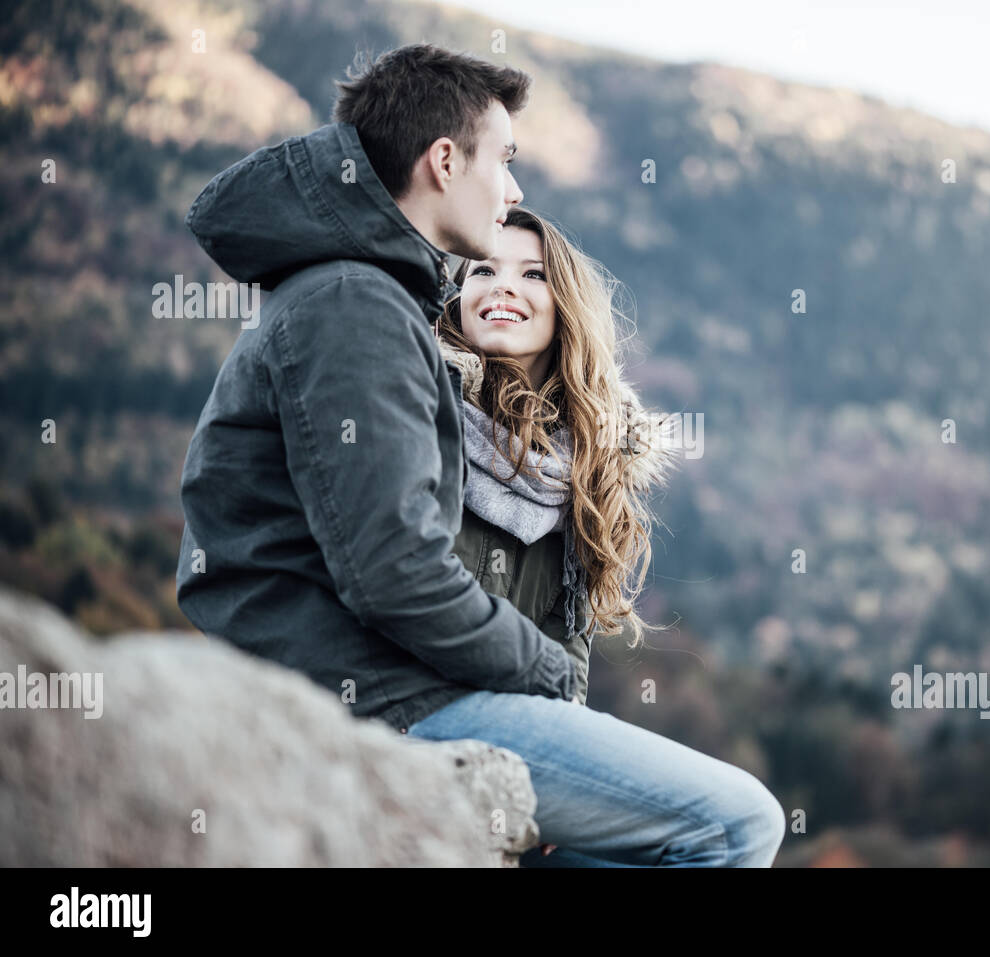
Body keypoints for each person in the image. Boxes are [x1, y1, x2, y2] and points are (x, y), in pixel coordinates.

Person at [174, 43, 784, 866]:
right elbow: (393, 569)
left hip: (406, 688)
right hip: (378, 699)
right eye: (505, 160)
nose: (514, 188)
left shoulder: (367, 297)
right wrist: (539, 670)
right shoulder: (357, 303)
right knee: (739, 822)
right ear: (445, 160)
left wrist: (550, 677)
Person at [424, 206, 787, 866]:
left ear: (565, 306)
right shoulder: (422, 407)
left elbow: (572, 640)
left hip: (528, 733)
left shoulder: (588, 457)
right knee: (745, 824)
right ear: (455, 295)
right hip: (428, 707)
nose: (503, 285)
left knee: (658, 850)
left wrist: (569, 753)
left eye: (532, 274)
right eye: (483, 269)